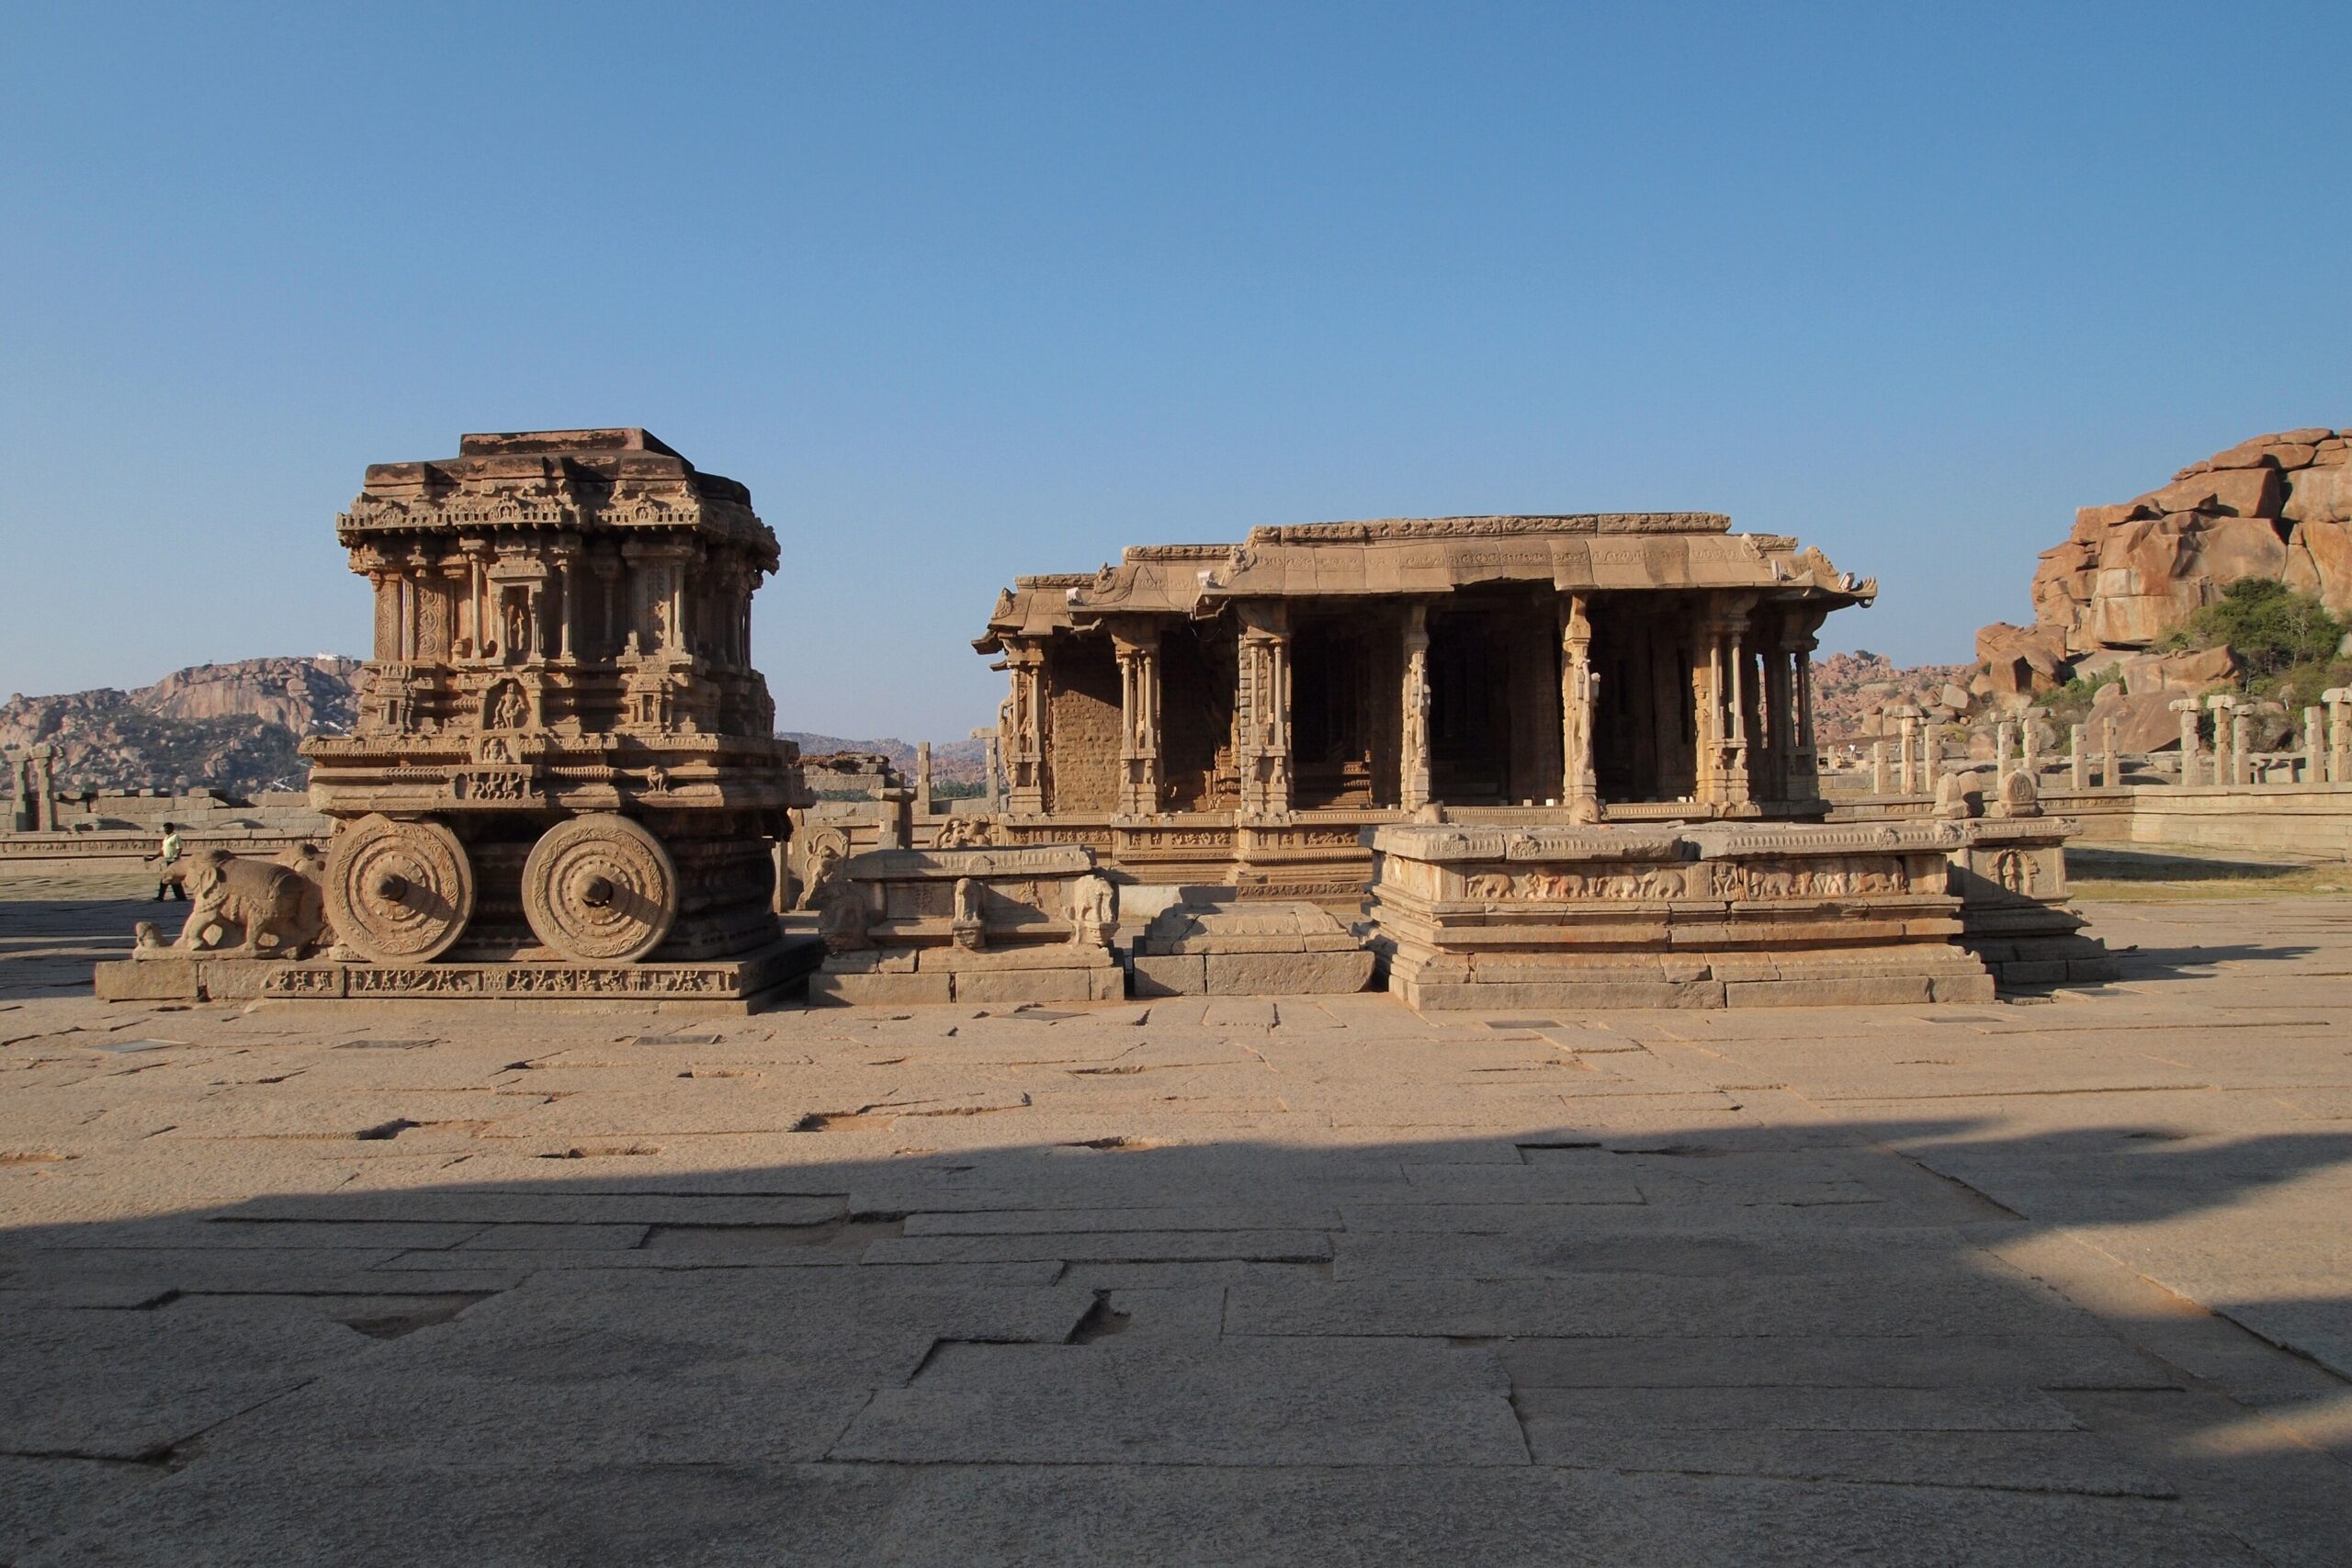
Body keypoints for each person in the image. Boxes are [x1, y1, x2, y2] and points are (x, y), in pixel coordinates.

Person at [147, 821, 187, 901]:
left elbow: (179, 848)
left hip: (174, 861)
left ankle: (161, 896)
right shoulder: (166, 838)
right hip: (167, 860)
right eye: (164, 829)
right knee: (174, 880)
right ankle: (181, 897)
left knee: (166, 879)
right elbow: (162, 851)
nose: (165, 830)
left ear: (171, 828)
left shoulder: (176, 837)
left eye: (167, 829)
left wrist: (176, 856)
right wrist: (152, 858)